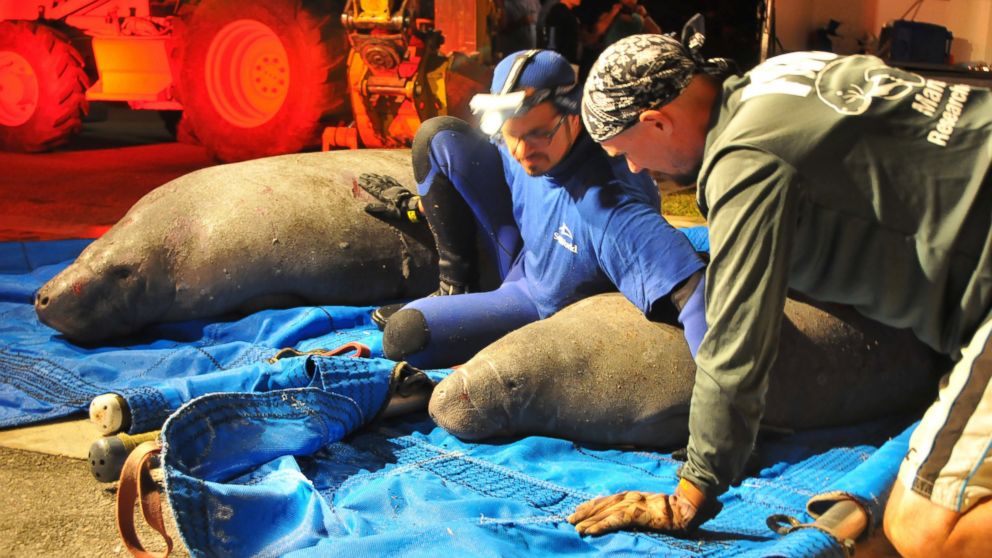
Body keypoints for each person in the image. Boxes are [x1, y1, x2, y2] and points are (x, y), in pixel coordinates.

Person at [570, 17, 992, 557]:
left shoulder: (746, 161)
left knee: (925, 530)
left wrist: (692, 490)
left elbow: (736, 341)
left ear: (657, 122)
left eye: (626, 151)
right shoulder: (781, 73)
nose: (633, 166)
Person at [358, 49, 707, 370]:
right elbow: (476, 163)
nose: (523, 151)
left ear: (574, 118)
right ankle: (458, 286)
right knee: (438, 136)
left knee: (406, 335)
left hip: (540, 302)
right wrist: (420, 208)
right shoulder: (524, 144)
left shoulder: (606, 205)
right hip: (525, 256)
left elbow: (694, 294)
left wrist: (724, 405)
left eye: (539, 134)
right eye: (512, 134)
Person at [540, 0, 583, 65]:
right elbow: (552, 32)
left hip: (566, 58)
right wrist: (553, 54)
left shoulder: (569, 12)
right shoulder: (558, 10)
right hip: (561, 59)